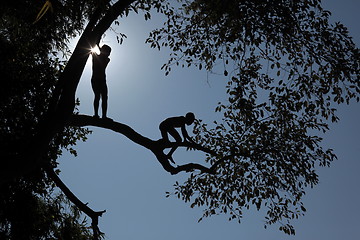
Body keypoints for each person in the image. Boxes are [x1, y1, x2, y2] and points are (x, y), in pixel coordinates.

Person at [91, 44, 111, 119]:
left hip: (102, 80)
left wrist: (98, 46)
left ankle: (104, 116)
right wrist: (98, 45)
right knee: (97, 96)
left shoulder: (107, 60)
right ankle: (96, 114)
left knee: (105, 97)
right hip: (96, 79)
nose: (109, 54)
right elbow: (93, 51)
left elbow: (103, 58)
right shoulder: (95, 56)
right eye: (108, 52)